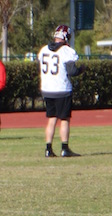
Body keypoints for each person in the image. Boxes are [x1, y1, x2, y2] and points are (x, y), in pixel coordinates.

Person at [38, 25, 84, 157]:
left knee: (52, 119)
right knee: (64, 119)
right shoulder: (66, 51)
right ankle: (65, 148)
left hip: (47, 89)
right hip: (62, 89)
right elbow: (72, 71)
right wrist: (82, 69)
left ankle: (48, 148)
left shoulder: (43, 50)